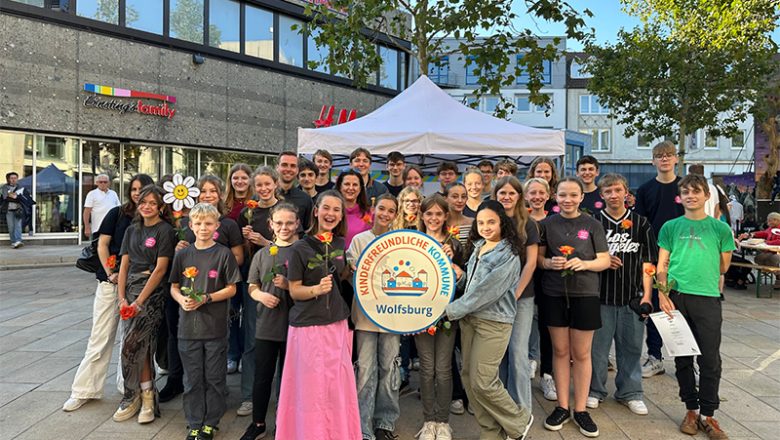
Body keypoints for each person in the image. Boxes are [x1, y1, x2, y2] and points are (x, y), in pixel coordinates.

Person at [63, 174, 154, 412]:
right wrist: (110, 272)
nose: (137, 193)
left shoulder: (153, 218)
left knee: (131, 340)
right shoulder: (117, 214)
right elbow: (102, 244)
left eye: (142, 189)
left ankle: (128, 387)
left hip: (138, 287)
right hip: (110, 283)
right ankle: (84, 390)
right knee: (100, 337)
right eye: (134, 189)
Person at [445, 200, 534, 440]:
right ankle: (491, 432)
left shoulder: (509, 255)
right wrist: (459, 276)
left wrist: (449, 310)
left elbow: (486, 292)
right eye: (481, 222)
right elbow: (474, 286)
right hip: (471, 320)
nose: (485, 226)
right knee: (469, 379)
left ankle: (519, 421)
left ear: (502, 223)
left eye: (491, 222)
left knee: (484, 381)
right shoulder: (479, 246)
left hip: (493, 323)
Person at [275, 190, 361, 439]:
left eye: (337, 209)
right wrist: (315, 289)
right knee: (310, 391)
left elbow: (338, 279)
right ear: (315, 210)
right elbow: (294, 290)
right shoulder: (300, 247)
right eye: (326, 208)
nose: (331, 214)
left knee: (335, 389)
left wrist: (349, 271)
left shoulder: (338, 243)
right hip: (308, 328)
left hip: (336, 324)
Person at [656, 174, 735, 440]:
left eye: (696, 191)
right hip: (677, 297)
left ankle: (708, 414)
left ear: (705, 195)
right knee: (682, 357)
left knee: (710, 359)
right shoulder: (670, 227)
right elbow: (662, 264)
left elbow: (724, 266)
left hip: (707, 298)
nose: (691, 196)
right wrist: (663, 294)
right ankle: (690, 409)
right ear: (680, 197)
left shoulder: (720, 229)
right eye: (686, 192)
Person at [538, 177, 610, 438]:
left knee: (581, 353)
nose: (567, 200)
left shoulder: (593, 225)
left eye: (573, 195)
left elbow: (604, 259)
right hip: (554, 293)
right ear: (555, 197)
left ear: (581, 197)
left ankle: (581, 409)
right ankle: (562, 406)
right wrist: (549, 264)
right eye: (562, 195)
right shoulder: (546, 225)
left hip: (586, 294)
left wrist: (585, 264)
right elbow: (539, 258)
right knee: (560, 351)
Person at [164, 175, 245, 403]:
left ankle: (214, 405)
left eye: (213, 190)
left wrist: (218, 263)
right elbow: (176, 277)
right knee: (191, 357)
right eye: (203, 190)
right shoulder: (185, 225)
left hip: (215, 292)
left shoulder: (227, 227)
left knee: (214, 358)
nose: (208, 194)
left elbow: (235, 262)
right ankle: (190, 399)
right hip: (189, 303)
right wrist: (181, 248)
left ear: (220, 194)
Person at [169, 203, 241, 440]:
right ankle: (194, 422)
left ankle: (211, 422)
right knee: (192, 379)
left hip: (215, 328)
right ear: (190, 226)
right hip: (188, 329)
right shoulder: (183, 254)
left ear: (217, 226)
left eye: (208, 223)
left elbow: (232, 288)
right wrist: (181, 300)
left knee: (214, 378)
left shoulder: (223, 254)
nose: (203, 228)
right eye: (198, 223)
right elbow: (174, 287)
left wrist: (208, 298)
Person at [589, 173, 657, 416]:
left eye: (618, 190)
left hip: (632, 296)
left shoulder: (641, 223)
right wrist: (602, 261)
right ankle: (595, 390)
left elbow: (649, 262)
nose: (613, 195)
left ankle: (630, 392)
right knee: (598, 349)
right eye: (608, 191)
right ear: (601, 195)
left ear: (626, 192)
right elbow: (584, 256)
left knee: (631, 347)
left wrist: (647, 296)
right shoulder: (593, 223)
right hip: (601, 295)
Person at [113, 185, 175, 424]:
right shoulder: (132, 230)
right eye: (143, 202)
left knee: (133, 345)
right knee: (138, 347)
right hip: (129, 292)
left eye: (152, 203)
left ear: (161, 206)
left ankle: (137, 396)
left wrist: (140, 301)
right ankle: (145, 397)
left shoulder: (165, 230)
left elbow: (160, 269)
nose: (147, 206)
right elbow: (124, 266)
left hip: (152, 295)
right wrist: (122, 298)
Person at [240, 202, 299, 440]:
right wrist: (261, 295)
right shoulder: (262, 254)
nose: (284, 227)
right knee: (262, 376)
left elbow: (307, 287)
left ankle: (285, 422)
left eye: (289, 223)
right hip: (266, 325)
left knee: (289, 378)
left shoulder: (301, 252)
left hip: (293, 326)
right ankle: (258, 422)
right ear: (271, 225)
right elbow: (252, 284)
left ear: (297, 224)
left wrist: (288, 286)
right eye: (279, 223)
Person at [346, 194, 402, 440]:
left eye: (391, 211)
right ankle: (363, 425)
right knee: (366, 369)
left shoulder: (400, 241)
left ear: (395, 214)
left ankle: (385, 422)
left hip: (394, 316)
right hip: (366, 315)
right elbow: (350, 274)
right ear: (373, 209)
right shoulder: (359, 240)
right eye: (382, 209)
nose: (386, 214)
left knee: (389, 367)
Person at [414, 194, 464, 440]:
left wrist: (456, 268)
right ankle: (428, 421)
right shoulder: (413, 241)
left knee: (443, 369)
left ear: (446, 216)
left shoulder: (455, 244)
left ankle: (443, 421)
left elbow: (465, 280)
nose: (433, 218)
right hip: (419, 315)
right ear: (422, 216)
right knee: (426, 369)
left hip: (446, 314)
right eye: (429, 213)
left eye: (438, 214)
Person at [633, 141, 685, 379]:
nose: (664, 159)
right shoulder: (645, 189)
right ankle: (655, 356)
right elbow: (640, 225)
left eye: (668, 155)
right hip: (653, 257)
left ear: (676, 159)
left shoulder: (685, 188)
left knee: (683, 308)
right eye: (659, 156)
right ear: (652, 161)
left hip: (683, 256)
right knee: (655, 306)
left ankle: (688, 359)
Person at [236, 166, 281, 417]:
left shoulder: (284, 211)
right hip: (254, 281)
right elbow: (242, 252)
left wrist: (266, 243)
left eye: (267, 184)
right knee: (252, 337)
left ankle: (281, 393)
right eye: (259, 185)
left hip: (280, 281)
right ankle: (248, 396)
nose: (263, 189)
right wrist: (245, 239)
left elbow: (292, 247)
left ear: (275, 184)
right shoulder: (248, 213)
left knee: (281, 340)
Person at [493, 177, 538, 412]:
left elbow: (531, 264)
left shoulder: (528, 224)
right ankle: (502, 405)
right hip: (494, 298)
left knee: (518, 352)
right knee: (498, 353)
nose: (507, 197)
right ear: (496, 195)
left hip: (522, 296)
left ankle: (522, 410)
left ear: (519, 196)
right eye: (502, 193)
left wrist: (517, 292)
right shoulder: (491, 222)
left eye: (511, 193)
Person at [523, 177, 557, 401]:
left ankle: (547, 375)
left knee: (547, 330)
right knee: (524, 330)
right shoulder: (520, 221)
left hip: (548, 284)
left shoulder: (554, 221)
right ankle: (525, 366)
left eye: (540, 193)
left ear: (547, 195)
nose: (536, 197)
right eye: (532, 193)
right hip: (524, 281)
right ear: (525, 196)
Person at [224, 163, 255, 377]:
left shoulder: (255, 204)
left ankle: (246, 355)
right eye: (236, 178)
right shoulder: (224, 206)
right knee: (231, 312)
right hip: (230, 265)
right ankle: (232, 354)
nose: (240, 182)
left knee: (249, 314)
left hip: (251, 265)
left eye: (244, 178)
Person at [739, 212, 780, 287]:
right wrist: (753, 234)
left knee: (770, 258)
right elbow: (764, 233)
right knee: (759, 258)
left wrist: (767, 242)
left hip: (776, 252)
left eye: (769, 221)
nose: (768, 223)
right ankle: (777, 275)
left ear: (776, 220)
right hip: (770, 251)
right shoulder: (771, 228)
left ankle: (777, 276)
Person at [277, 151, 313, 231]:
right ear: (277, 167)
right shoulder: (265, 195)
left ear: (297, 170)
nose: (288, 169)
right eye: (284, 165)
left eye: (293, 166)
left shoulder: (305, 199)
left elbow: (309, 231)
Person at [337, 170, 373, 249]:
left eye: (355, 185)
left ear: (360, 189)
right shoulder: (332, 213)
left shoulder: (370, 214)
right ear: (340, 187)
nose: (351, 188)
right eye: (347, 184)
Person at [83, 174, 121, 239]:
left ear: (109, 183)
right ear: (97, 183)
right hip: (98, 228)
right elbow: (87, 211)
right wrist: (87, 227)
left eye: (105, 182)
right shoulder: (92, 194)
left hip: (112, 228)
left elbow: (119, 209)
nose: (103, 184)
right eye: (101, 182)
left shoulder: (113, 194)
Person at [1, 172, 31, 248]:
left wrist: (14, 196)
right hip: (9, 210)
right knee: (11, 227)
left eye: (15, 178)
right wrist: (16, 197)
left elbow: (23, 198)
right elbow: (5, 197)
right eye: (12, 178)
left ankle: (18, 240)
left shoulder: (21, 187)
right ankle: (13, 242)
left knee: (18, 226)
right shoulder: (5, 187)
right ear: (8, 179)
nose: (13, 180)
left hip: (18, 209)